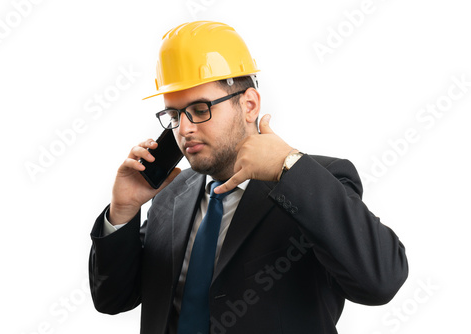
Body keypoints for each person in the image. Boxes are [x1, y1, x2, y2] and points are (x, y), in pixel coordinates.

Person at [88, 21, 408, 334]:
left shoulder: (316, 181)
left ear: (249, 105)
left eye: (200, 109)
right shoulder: (172, 194)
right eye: (174, 115)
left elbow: (381, 281)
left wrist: (289, 166)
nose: (184, 129)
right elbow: (113, 298)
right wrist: (123, 210)